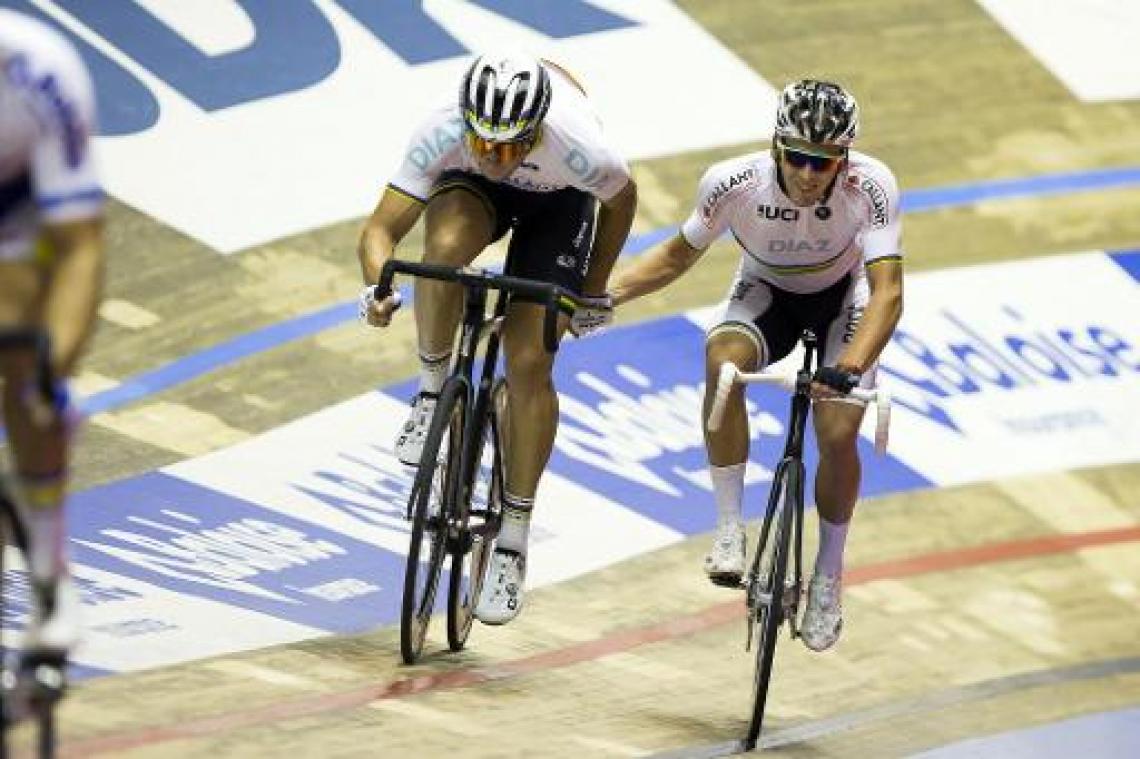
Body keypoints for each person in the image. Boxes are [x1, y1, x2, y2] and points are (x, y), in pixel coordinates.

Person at [609, 79, 903, 651]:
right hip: (767, 291)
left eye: (825, 161)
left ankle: (827, 575)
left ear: (844, 157)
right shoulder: (732, 184)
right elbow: (675, 256)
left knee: (837, 430)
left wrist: (851, 367)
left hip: (847, 297)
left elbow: (887, 292)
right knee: (722, 363)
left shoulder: (872, 185)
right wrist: (605, 296)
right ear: (776, 146)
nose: (810, 173)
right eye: (797, 157)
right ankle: (727, 530)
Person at [358, 51, 637, 625]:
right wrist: (377, 288)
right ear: (466, 122)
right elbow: (381, 231)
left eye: (514, 145)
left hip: (559, 208)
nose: (499, 157)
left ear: (538, 126)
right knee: (440, 254)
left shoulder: (579, 144)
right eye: (485, 142)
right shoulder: (442, 131)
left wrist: (594, 287)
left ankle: (512, 537)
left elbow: (622, 200)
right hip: (471, 196)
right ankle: (433, 389)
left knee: (529, 361)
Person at [0, 9, 106, 662]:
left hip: (21, 217)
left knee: (19, 351)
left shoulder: (40, 72)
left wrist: (52, 366)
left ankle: (48, 574)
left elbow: (79, 248)